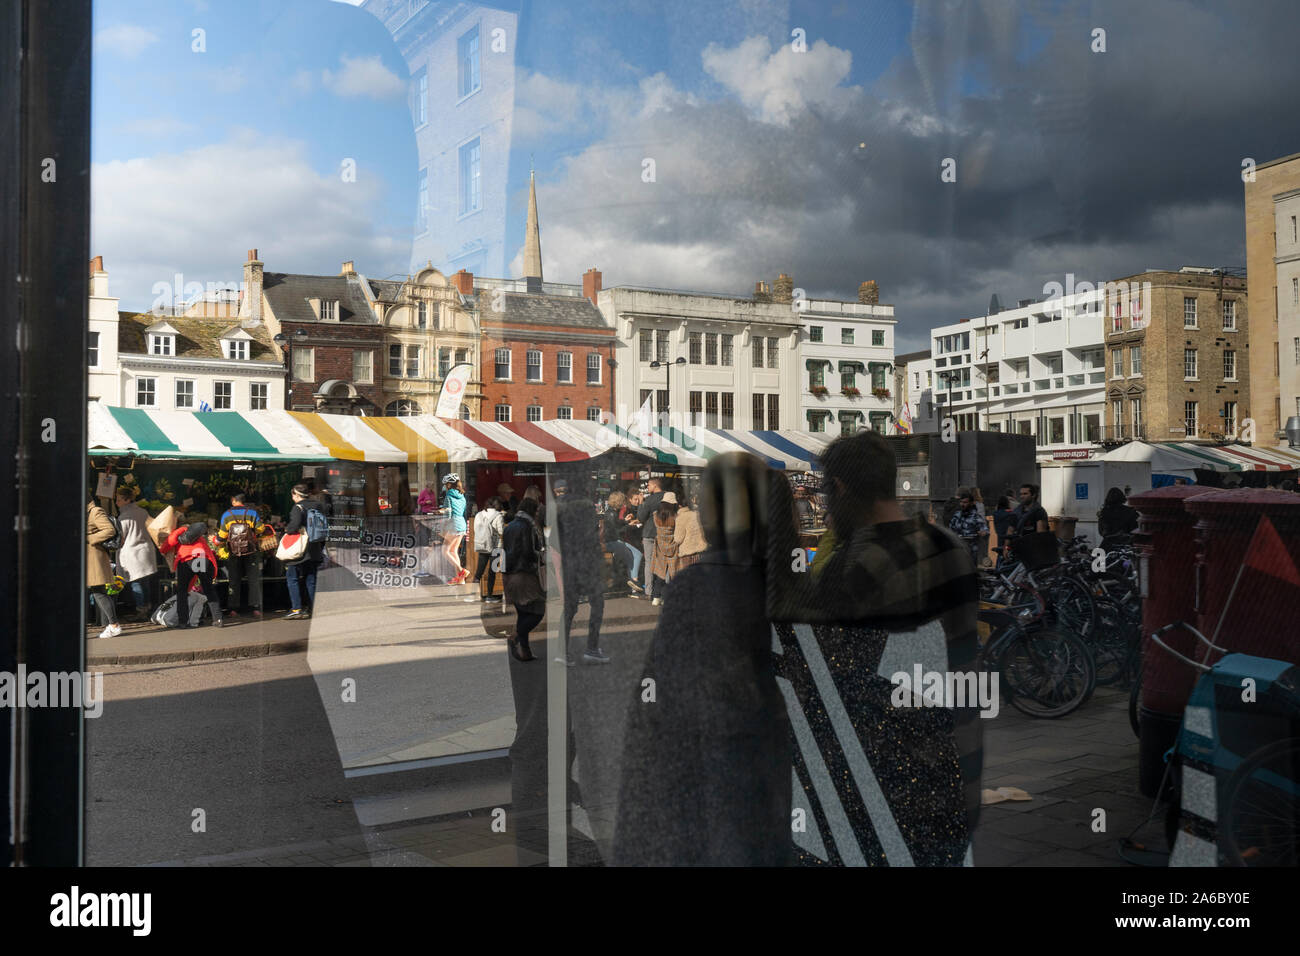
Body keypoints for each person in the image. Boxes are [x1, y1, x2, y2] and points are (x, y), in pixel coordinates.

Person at [766, 431, 984, 866]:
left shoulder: (855, 566)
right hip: (956, 770)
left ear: (842, 488)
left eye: (828, 492)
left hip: (879, 793)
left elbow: (815, 678)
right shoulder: (950, 548)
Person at [614, 453, 792, 865]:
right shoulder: (789, 579)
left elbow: (658, 707)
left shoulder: (698, 588)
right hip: (775, 767)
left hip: (720, 770)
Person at [554, 478, 609, 665]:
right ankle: (592, 648)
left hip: (569, 563)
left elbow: (553, 538)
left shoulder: (558, 506)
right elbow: (593, 536)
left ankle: (562, 652)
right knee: (598, 604)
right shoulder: (587, 506)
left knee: (569, 608)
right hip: (588, 564)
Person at [502, 496, 545, 662]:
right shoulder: (527, 526)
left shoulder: (510, 526)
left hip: (511, 574)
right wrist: (540, 555)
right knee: (538, 611)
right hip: (525, 574)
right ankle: (516, 637)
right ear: (532, 511)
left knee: (523, 613)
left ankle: (524, 652)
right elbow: (528, 552)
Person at [216, 493, 272, 619]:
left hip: (234, 551)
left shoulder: (227, 514)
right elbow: (260, 529)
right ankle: (256, 608)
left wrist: (216, 540)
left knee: (234, 580)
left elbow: (222, 535)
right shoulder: (252, 513)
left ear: (233, 501)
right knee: (254, 579)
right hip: (251, 550)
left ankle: (233, 609)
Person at [159, 521, 224, 629]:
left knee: (182, 592)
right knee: (209, 589)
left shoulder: (181, 529)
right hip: (202, 558)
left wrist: (162, 550)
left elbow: (170, 541)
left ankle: (183, 622)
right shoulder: (199, 536)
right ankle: (218, 619)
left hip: (187, 559)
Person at [113, 486, 158, 621]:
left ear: (127, 500)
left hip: (133, 553)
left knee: (136, 583)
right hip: (146, 551)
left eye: (119, 500)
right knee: (144, 581)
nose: (117, 502)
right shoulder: (143, 512)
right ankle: (148, 607)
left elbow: (121, 539)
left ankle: (141, 611)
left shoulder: (124, 517)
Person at [282, 483, 325, 620]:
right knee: (311, 580)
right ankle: (313, 609)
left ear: (296, 494)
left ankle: (296, 608)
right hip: (315, 548)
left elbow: (294, 526)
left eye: (293, 494)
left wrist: (287, 529)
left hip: (300, 549)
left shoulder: (297, 507)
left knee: (292, 578)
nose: (292, 497)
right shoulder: (317, 505)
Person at [88, 495, 123, 639]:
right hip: (89, 557)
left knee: (99, 591)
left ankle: (114, 625)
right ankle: (113, 625)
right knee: (98, 591)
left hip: (94, 557)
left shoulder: (95, 511)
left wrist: (89, 538)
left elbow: (109, 530)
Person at [603, 490, 644, 594]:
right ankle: (634, 585)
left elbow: (617, 525)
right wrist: (629, 526)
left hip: (615, 541)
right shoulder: (611, 514)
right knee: (631, 558)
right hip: (613, 542)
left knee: (637, 554)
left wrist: (625, 521)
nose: (624, 503)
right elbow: (617, 531)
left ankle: (634, 582)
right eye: (623, 501)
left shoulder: (612, 512)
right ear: (619, 502)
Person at [469, 496, 506, 602]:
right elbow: (501, 532)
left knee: (478, 572)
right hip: (496, 547)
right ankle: (489, 596)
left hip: (482, 546)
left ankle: (472, 595)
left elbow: (475, 530)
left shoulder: (479, 515)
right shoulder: (498, 516)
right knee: (492, 572)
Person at [649, 491, 681, 605]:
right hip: (673, 546)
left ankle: (656, 597)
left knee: (660, 573)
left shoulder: (655, 515)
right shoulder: (676, 517)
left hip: (660, 546)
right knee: (674, 572)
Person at [636, 477, 665, 599]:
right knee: (662, 562)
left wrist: (642, 503)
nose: (647, 487)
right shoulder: (668, 497)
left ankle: (649, 591)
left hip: (649, 533)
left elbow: (641, 518)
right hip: (664, 533)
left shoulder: (649, 500)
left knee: (649, 562)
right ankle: (662, 590)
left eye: (648, 485)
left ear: (654, 486)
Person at [439, 474, 469, 584]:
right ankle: (460, 579)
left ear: (449, 485)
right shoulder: (462, 497)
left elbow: (447, 515)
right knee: (453, 551)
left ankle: (462, 571)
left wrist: (442, 529)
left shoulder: (448, 496)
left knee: (445, 551)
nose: (445, 487)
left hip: (453, 525)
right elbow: (464, 512)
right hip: (461, 524)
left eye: (446, 484)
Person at [948, 489, 989, 567]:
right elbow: (951, 528)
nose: (962, 504)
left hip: (971, 550)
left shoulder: (975, 517)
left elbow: (985, 530)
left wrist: (983, 532)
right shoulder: (957, 515)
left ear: (971, 503)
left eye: (965, 502)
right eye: (961, 502)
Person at [672, 493, 707, 572]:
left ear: (679, 505)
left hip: (687, 555)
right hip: (702, 552)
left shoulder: (681, 517)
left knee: (689, 580)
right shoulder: (699, 513)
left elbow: (678, 539)